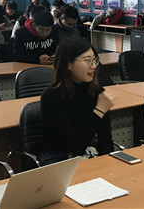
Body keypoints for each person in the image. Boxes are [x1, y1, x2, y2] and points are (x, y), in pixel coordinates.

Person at [40, 37, 116, 165]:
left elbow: (105, 141)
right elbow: (75, 147)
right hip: (58, 158)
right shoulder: (51, 97)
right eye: (87, 60)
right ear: (68, 64)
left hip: (86, 152)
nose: (93, 66)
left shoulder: (97, 92)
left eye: (94, 60)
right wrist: (99, 110)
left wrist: (109, 166)